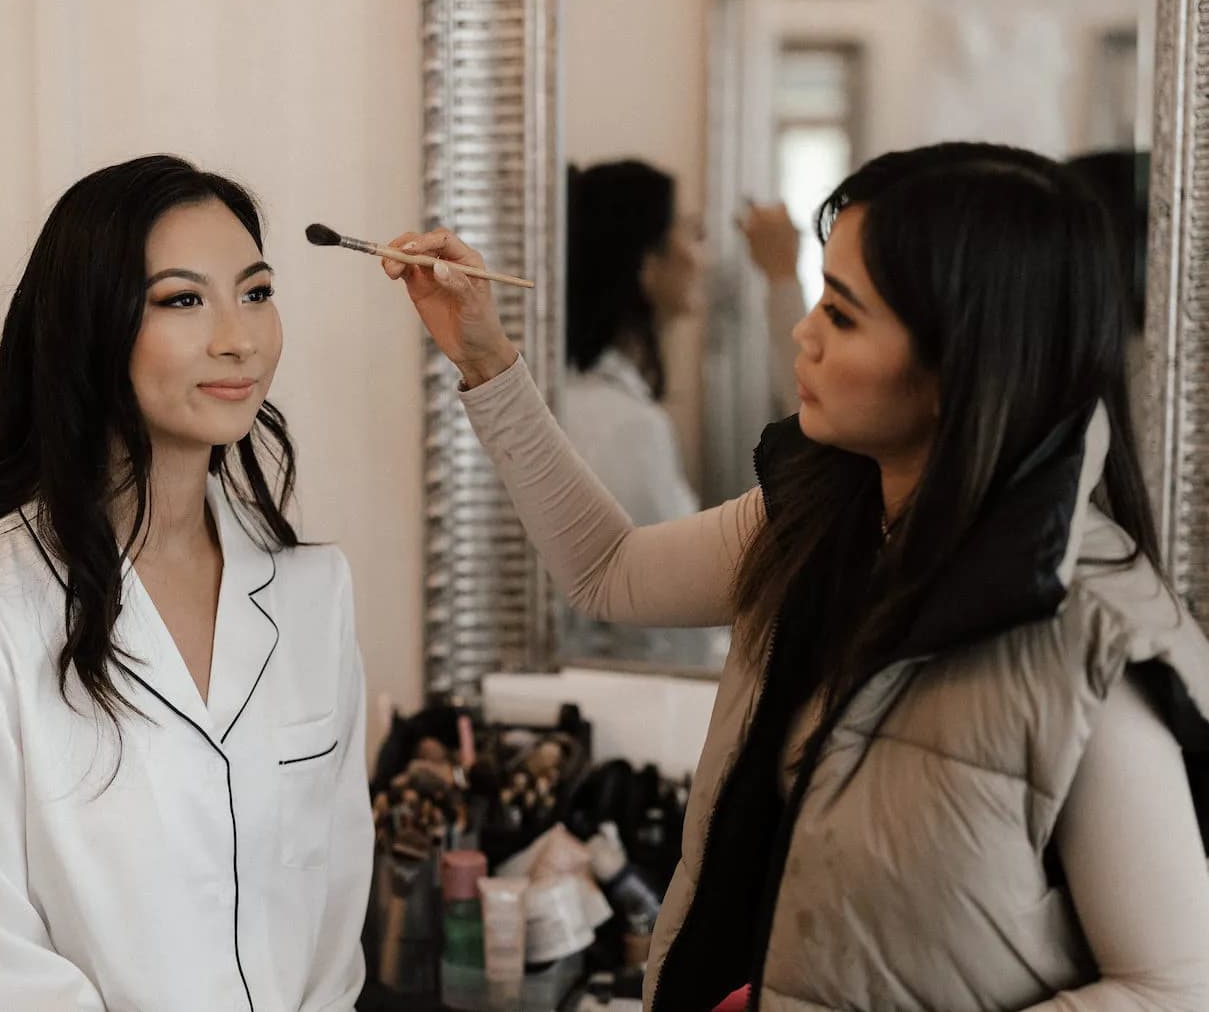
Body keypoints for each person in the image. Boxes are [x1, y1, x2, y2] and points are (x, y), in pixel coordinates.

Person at [385, 142, 1209, 1010]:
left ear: (960, 363)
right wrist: (484, 357)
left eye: (842, 315)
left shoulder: (1093, 632)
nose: (801, 330)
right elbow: (606, 570)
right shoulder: (817, 519)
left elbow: (1172, 986)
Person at [0, 155, 372, 1011]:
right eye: (181, 300)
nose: (238, 337)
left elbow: (334, 901)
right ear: (91, 328)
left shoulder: (312, 593)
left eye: (254, 291)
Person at [562, 160, 802, 666]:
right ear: (646, 263)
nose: (707, 259)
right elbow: (662, 619)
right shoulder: (626, 427)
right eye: (694, 234)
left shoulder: (596, 405)